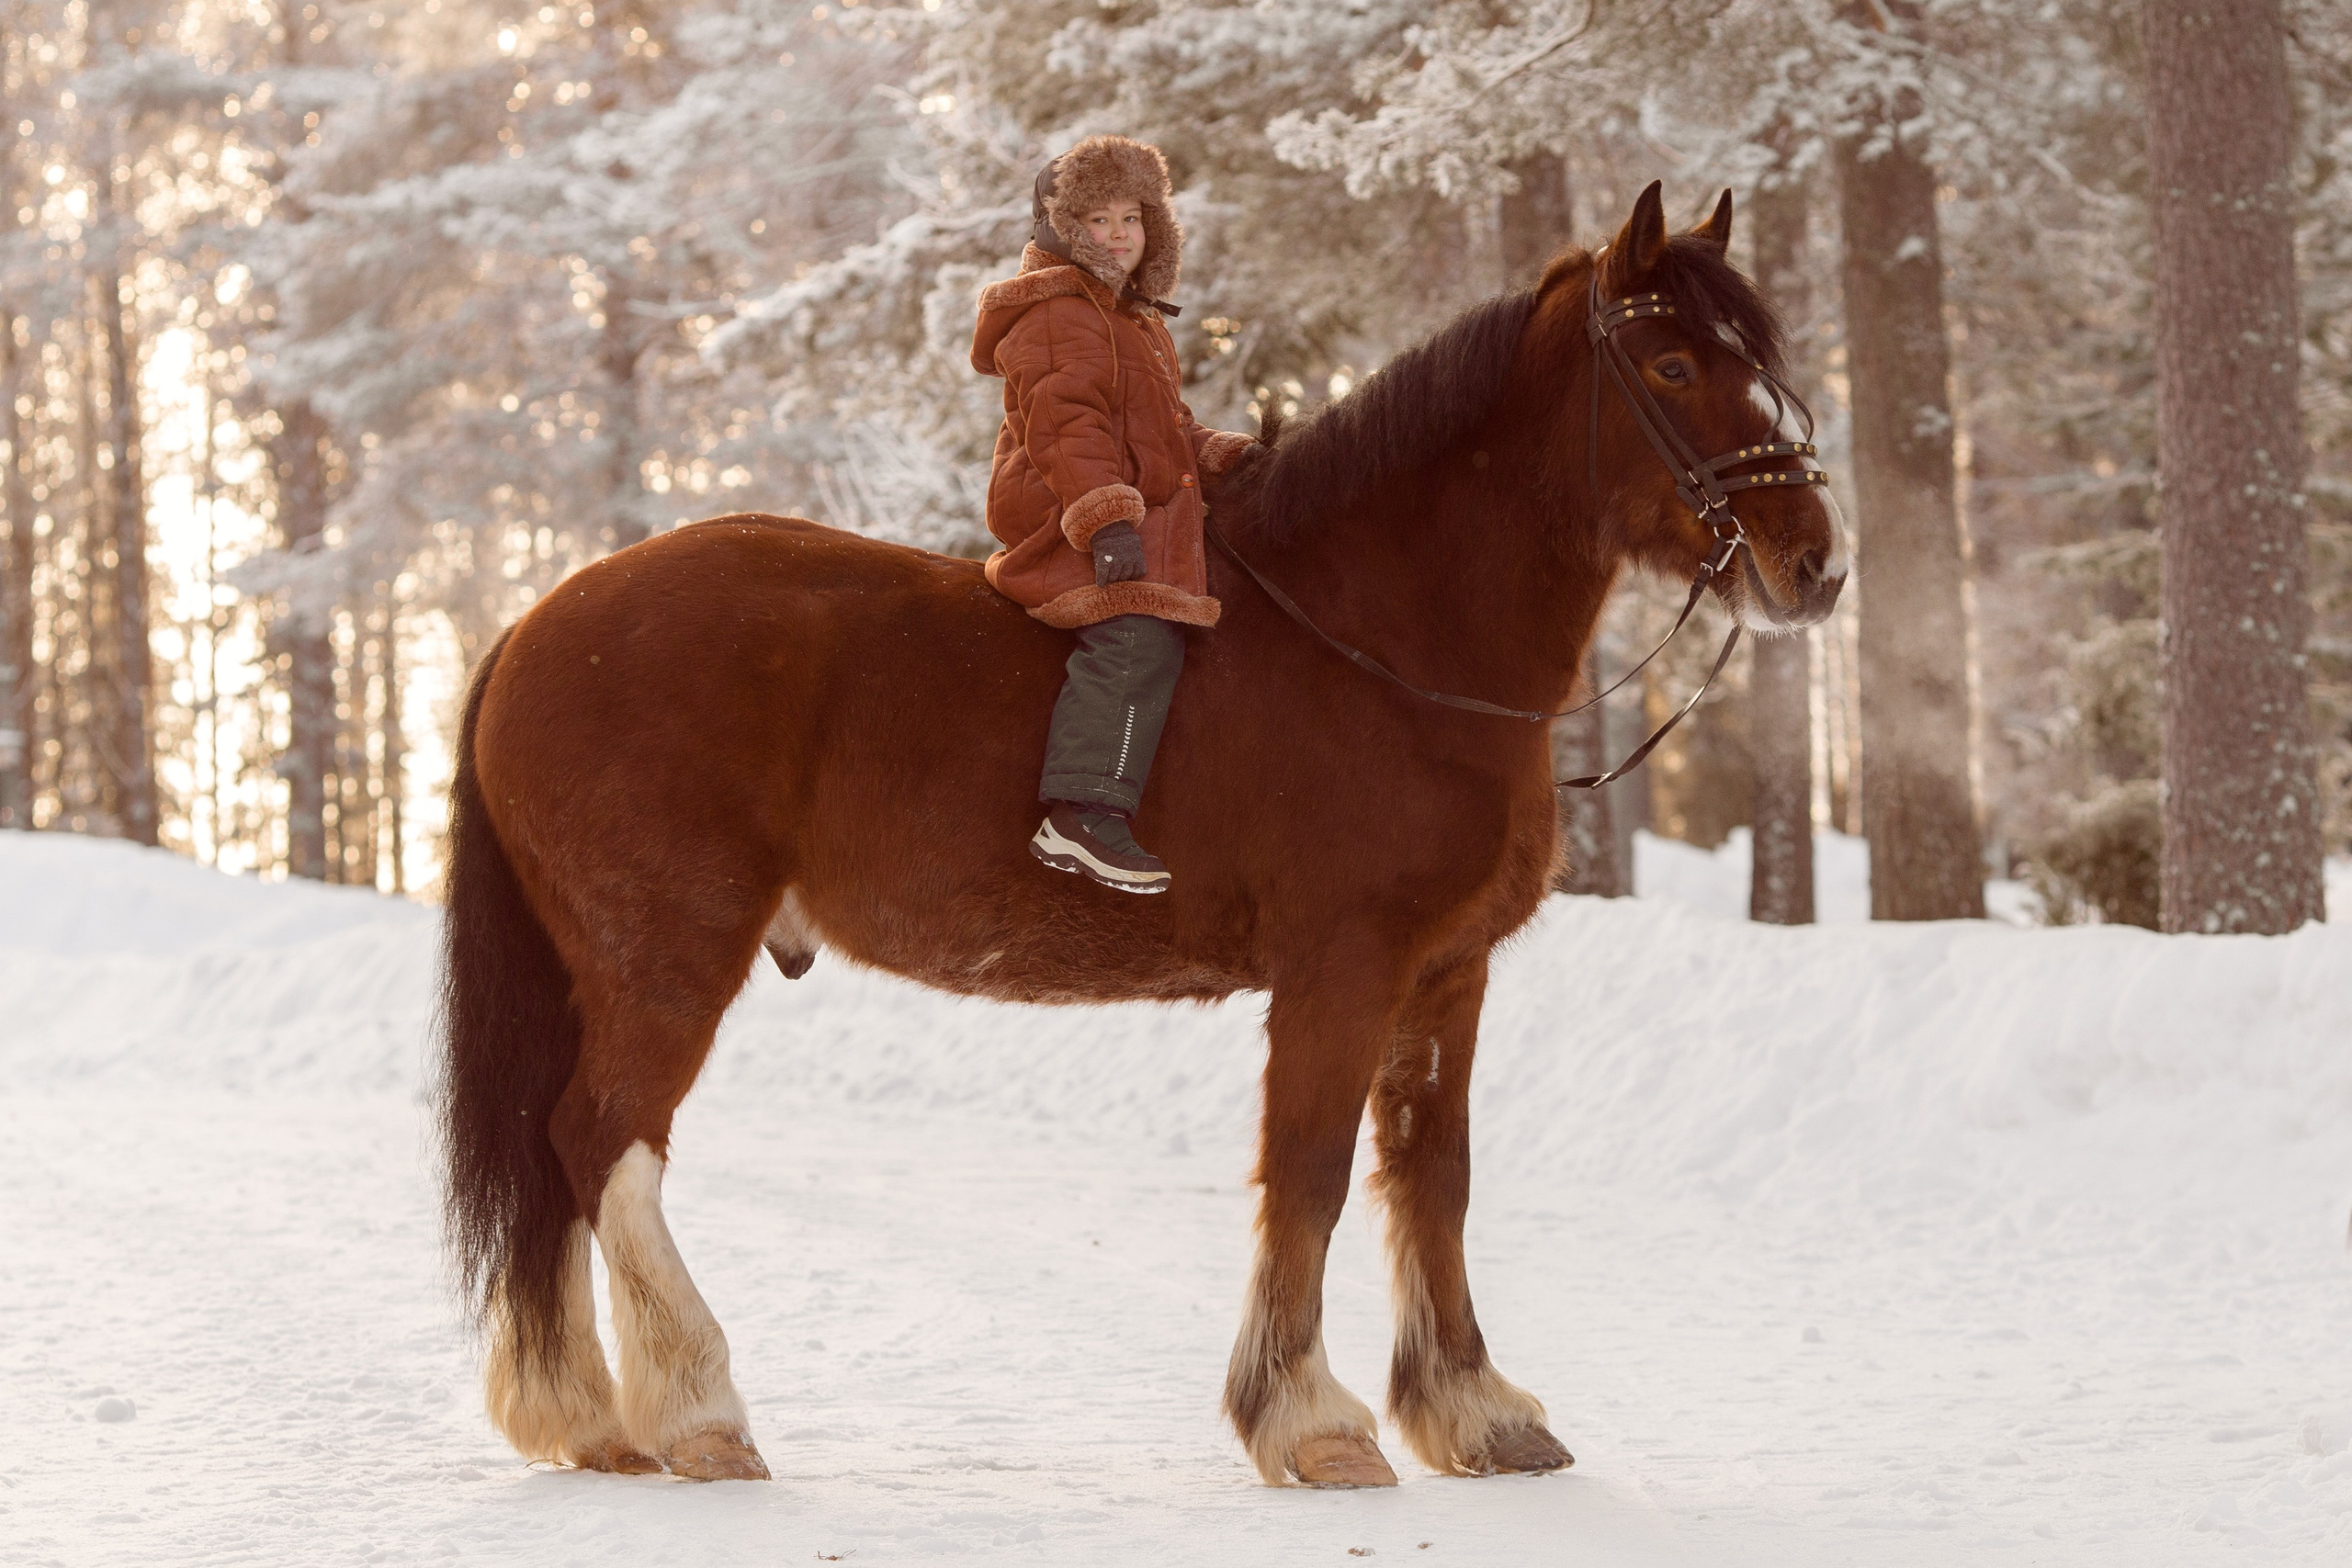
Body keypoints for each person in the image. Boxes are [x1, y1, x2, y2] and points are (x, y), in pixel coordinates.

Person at [969, 135, 1256, 894]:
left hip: (1130, 513)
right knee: (1135, 633)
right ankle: (1082, 810)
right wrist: (1105, 522)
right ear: (1060, 228)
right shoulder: (1058, 313)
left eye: (1131, 216)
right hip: (1065, 515)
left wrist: (1226, 455)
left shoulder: (1130, 319)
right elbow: (1067, 429)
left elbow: (1168, 428)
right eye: (1097, 220)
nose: (1119, 234)